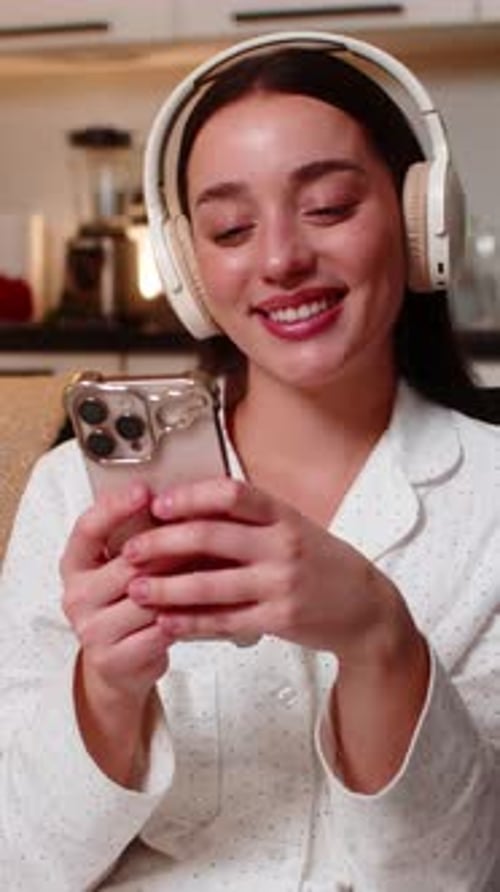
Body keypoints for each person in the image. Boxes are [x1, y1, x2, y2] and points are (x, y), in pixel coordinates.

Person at [0, 31, 499, 892]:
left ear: (423, 219)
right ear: (191, 267)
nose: (279, 261)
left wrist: (379, 639)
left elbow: (459, 872)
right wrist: (107, 691)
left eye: (331, 207)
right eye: (231, 227)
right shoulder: (72, 497)